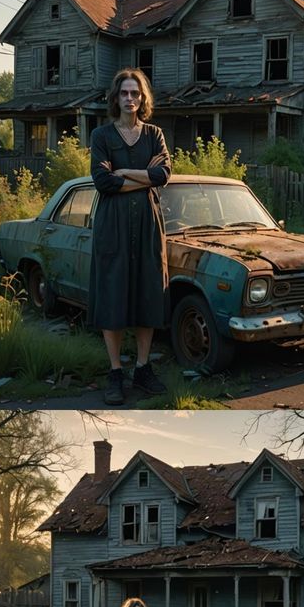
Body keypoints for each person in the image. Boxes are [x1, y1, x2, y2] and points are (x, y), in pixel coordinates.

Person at [90, 68, 172, 406]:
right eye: (124, 93)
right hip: (113, 227)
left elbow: (163, 174)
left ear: (142, 98)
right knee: (113, 295)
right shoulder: (102, 136)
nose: (129, 99)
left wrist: (124, 171)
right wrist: (143, 178)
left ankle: (142, 368)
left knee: (146, 295)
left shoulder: (154, 135)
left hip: (148, 226)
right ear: (116, 97)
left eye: (135, 93)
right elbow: (102, 181)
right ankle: (115, 373)